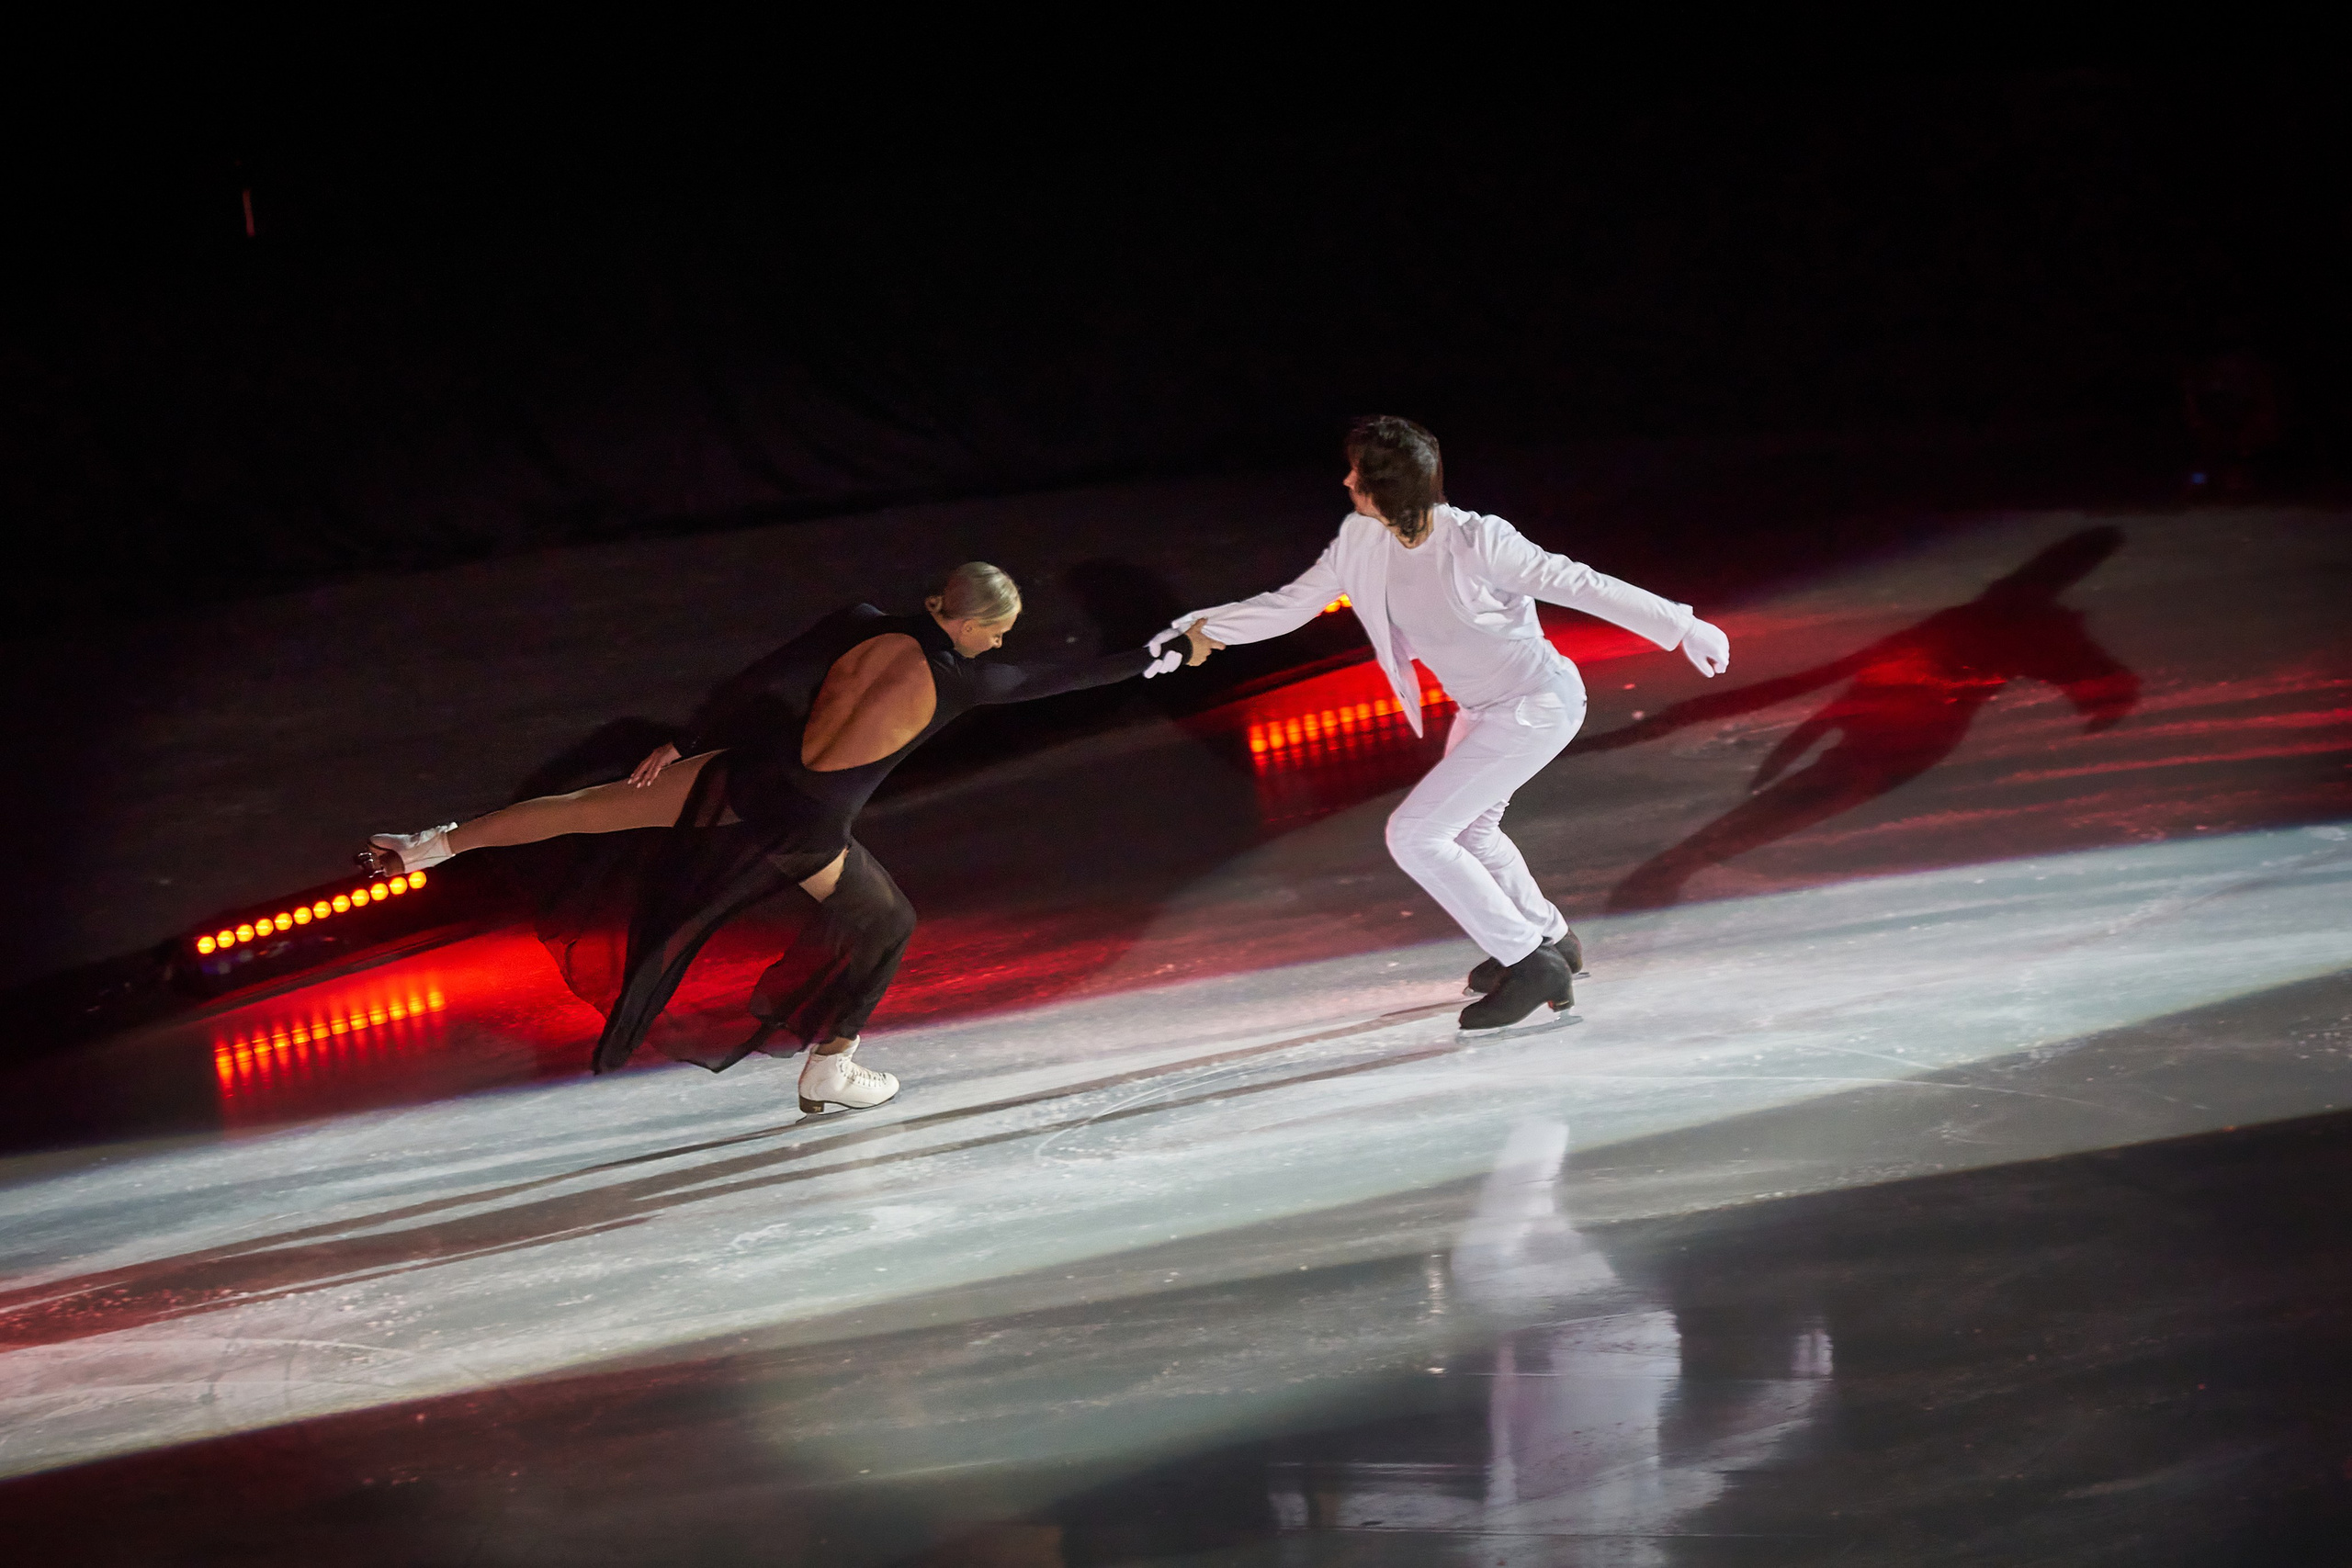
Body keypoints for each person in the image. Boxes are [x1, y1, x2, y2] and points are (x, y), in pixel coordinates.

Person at [360, 563, 1213, 1111]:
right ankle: (830, 1065)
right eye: (997, 627)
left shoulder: (863, 617)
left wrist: (687, 737)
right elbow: (1072, 676)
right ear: (963, 622)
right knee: (887, 923)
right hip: (803, 821)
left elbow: (759, 674)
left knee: (589, 804)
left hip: (748, 770)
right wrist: (1169, 653)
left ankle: (429, 843)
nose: (1002, 640)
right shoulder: (974, 679)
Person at [1153, 418, 1729, 1033]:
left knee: (1416, 833)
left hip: (1538, 703)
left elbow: (1575, 580)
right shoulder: (1359, 541)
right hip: (1482, 710)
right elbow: (1289, 604)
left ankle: (1529, 963)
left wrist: (1682, 625)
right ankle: (1550, 940)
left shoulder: (1479, 540)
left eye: (1359, 471)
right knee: (1472, 834)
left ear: (1390, 484)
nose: (1347, 480)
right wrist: (1202, 629)